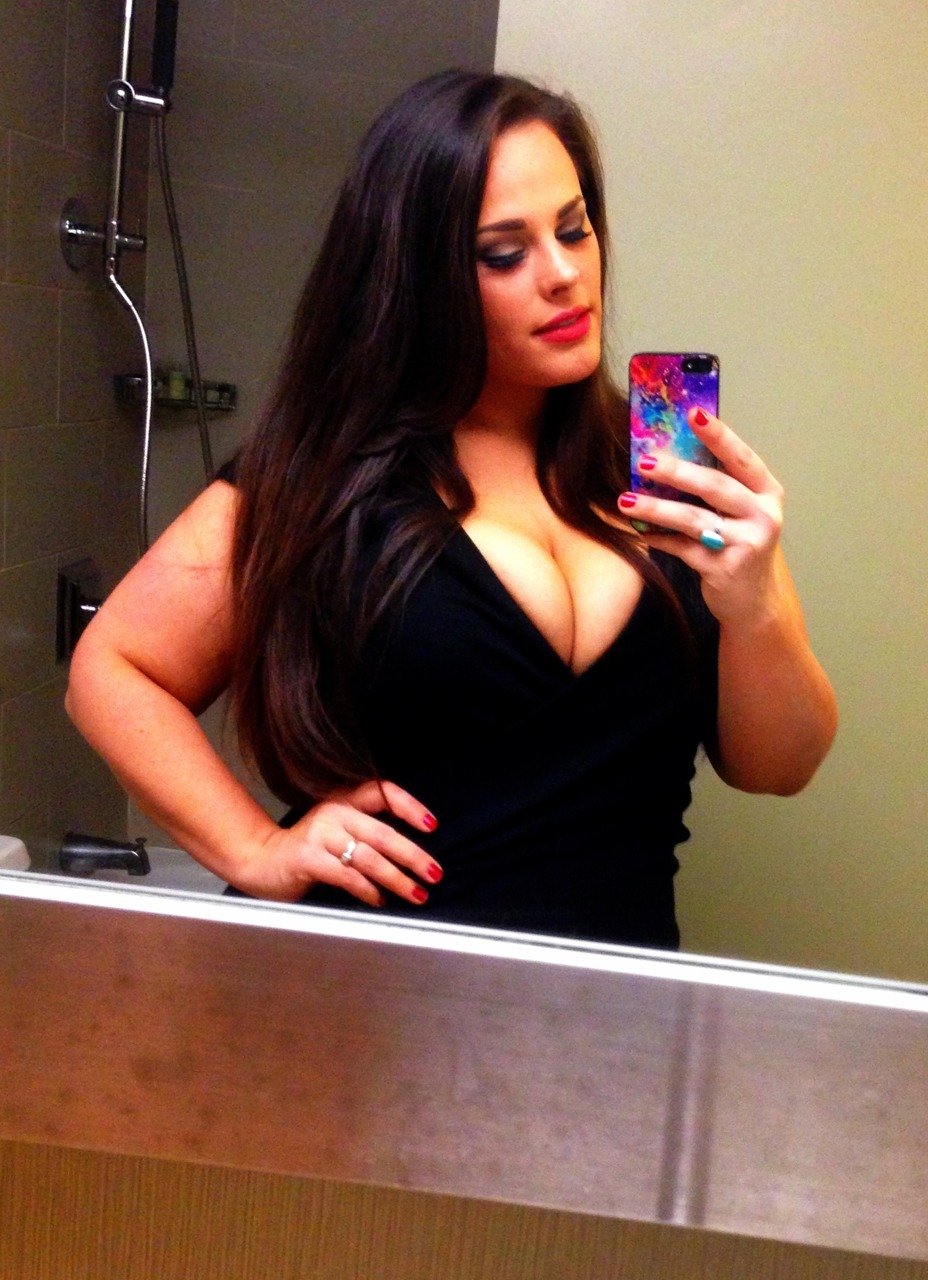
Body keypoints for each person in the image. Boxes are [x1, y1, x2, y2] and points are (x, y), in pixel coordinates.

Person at [65, 70, 837, 948]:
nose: (564, 275)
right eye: (503, 254)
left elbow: (781, 766)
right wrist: (255, 849)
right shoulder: (326, 478)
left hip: (616, 1003)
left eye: (574, 229)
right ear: (415, 276)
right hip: (364, 991)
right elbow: (114, 668)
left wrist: (756, 606)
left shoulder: (665, 471)